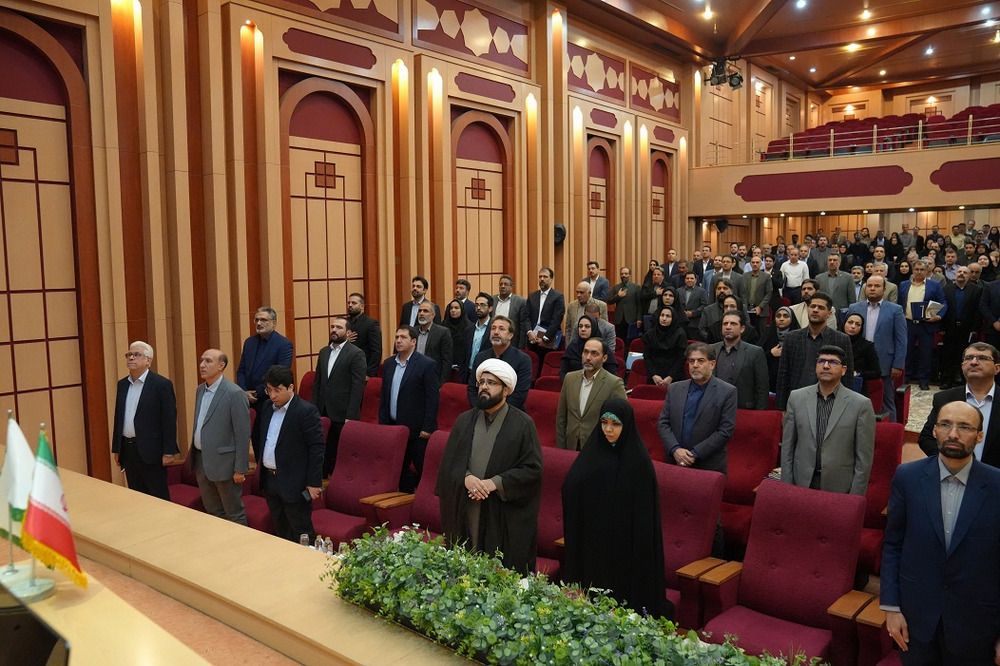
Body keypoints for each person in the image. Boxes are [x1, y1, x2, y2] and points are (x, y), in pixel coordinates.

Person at [881, 401, 1000, 665]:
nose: (953, 434)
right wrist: (891, 607)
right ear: (934, 430)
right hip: (915, 621)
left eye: (965, 427)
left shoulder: (997, 485)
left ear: (980, 435)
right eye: (945, 424)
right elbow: (893, 545)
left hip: (976, 626)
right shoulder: (907, 477)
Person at [561, 398, 672, 619]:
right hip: (596, 543)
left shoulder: (639, 463)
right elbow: (571, 486)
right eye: (604, 423)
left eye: (615, 424)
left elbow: (645, 517)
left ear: (626, 425)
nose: (608, 430)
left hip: (626, 548)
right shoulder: (593, 452)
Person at [436, 359, 543, 574]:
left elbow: (532, 470)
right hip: (467, 504)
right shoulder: (464, 420)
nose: (484, 387)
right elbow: (449, 463)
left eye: (491, 383)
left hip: (499, 511)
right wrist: (466, 477)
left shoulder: (523, 424)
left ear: (506, 390)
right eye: (482, 382)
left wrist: (495, 483)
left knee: (496, 573)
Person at [657, 342, 737, 556]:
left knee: (709, 522)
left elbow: (725, 431)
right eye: (691, 361)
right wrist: (675, 449)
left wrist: (694, 454)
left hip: (707, 466)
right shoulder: (675, 388)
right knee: (673, 516)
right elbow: (663, 423)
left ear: (712, 364)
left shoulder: (727, 392)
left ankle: (715, 565)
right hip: (675, 463)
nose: (695, 365)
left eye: (701, 361)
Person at [780, 345, 875, 495]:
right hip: (801, 483)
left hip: (839, 488)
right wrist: (786, 487)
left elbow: (864, 459)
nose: (825, 366)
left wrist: (854, 498)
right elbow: (787, 448)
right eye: (821, 361)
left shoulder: (860, 405)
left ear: (843, 370)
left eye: (833, 362)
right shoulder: (796, 398)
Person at [252, 365, 324, 542]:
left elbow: (316, 448)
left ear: (291, 387)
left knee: (301, 532)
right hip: (270, 480)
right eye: (269, 390)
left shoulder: (306, 411)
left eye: (277, 390)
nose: (272, 395)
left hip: (295, 482)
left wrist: (314, 482)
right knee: (281, 531)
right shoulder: (267, 407)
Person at [190, 349, 251, 525]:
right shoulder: (200, 390)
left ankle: (241, 543)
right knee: (213, 512)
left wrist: (240, 468)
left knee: (234, 513)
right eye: (201, 360)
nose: (202, 365)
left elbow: (242, 434)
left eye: (208, 361)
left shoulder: (234, 393)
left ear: (221, 366)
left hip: (226, 464)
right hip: (202, 461)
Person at [111, 341, 178, 500]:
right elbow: (118, 418)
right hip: (128, 450)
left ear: (148, 360)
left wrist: (169, 451)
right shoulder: (122, 384)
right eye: (129, 355)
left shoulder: (161, 384)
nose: (131, 358)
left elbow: (169, 419)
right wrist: (117, 448)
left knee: (158, 497)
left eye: (136, 355)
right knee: (137, 497)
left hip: (152, 451)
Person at [918, 343, 1000, 468]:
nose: (974, 362)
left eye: (982, 358)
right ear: (962, 366)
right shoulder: (945, 398)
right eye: (969, 358)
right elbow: (926, 438)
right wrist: (951, 463)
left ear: (997, 368)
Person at [379, 326, 440, 493]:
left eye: (403, 337)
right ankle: (405, 500)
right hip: (394, 427)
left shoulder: (426, 364)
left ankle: (426, 501)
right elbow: (384, 396)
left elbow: (433, 399)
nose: (398, 340)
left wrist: (428, 427)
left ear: (413, 341)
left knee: (423, 470)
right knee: (400, 469)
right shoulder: (389, 364)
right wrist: (383, 425)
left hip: (418, 431)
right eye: (397, 337)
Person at [775, 292, 854, 410]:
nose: (815, 310)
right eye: (812, 306)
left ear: (829, 313)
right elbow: (783, 374)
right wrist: (781, 408)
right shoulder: (792, 338)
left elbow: (847, 377)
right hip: (797, 403)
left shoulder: (841, 339)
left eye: (821, 308)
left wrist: (845, 407)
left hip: (830, 403)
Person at [311, 316, 366, 476]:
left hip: (343, 412)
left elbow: (358, 387)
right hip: (323, 409)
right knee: (324, 449)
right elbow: (317, 383)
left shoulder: (356, 353)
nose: (334, 330)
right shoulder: (324, 352)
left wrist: (351, 415)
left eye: (339, 327)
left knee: (341, 452)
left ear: (348, 333)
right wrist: (314, 409)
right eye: (332, 327)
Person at [848, 275, 908, 421]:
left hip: (884, 363)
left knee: (887, 401)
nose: (872, 289)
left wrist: (898, 364)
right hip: (858, 363)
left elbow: (901, 340)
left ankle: (890, 431)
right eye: (869, 286)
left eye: (876, 286)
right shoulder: (854, 308)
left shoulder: (895, 310)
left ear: (884, 289)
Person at [556, 338, 627, 450]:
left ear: (604, 358)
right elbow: (561, 418)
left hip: (598, 449)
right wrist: (561, 449)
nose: (588, 357)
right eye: (585, 352)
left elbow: (621, 421)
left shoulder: (614, 383)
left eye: (594, 354)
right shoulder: (569, 378)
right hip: (570, 446)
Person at [900, 259, 948, 391]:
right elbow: (899, 303)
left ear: (927, 271)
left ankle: (924, 380)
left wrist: (938, 316)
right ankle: (905, 377)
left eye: (922, 270)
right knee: (906, 352)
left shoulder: (934, 285)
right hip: (908, 323)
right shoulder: (904, 285)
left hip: (926, 324)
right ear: (912, 270)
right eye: (917, 269)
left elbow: (943, 302)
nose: (919, 272)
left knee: (926, 353)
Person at [467, 316, 533, 411]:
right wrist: (480, 410)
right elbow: (472, 389)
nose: (496, 332)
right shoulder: (480, 357)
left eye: (501, 329)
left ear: (511, 335)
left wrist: (495, 412)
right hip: (481, 411)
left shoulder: (523, 359)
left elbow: (519, 394)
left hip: (510, 413)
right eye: (493, 328)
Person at [710, 312, 769, 410]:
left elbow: (762, 388)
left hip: (743, 409)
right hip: (714, 408)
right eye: (725, 324)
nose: (728, 327)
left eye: (733, 324)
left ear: (742, 329)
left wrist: (759, 413)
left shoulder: (755, 352)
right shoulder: (711, 349)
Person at [236, 307, 294, 406]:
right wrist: (244, 391)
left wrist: (256, 394)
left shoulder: (284, 345)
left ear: (274, 323)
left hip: (270, 400)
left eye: (263, 320)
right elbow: (241, 370)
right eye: (256, 320)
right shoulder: (249, 342)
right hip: (246, 398)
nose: (259, 323)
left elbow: (279, 376)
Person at [940, 265, 982, 388]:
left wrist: (975, 328)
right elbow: (942, 309)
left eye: (965, 272)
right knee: (948, 354)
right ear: (955, 274)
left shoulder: (977, 290)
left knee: (965, 355)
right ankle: (947, 379)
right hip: (949, 327)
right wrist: (941, 327)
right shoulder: (946, 289)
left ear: (969, 276)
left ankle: (964, 380)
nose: (961, 274)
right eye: (959, 271)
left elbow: (978, 311)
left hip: (967, 328)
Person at [560, 314, 618, 379]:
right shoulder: (572, 347)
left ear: (594, 328)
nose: (583, 329)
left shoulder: (602, 346)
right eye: (580, 326)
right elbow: (563, 371)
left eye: (587, 326)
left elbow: (612, 375)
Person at [642, 306, 687, 386]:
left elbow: (681, 358)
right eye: (662, 315)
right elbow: (647, 356)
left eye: (668, 316)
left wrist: (670, 376)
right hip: (654, 376)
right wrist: (654, 375)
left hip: (674, 376)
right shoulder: (651, 334)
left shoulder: (680, 334)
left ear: (673, 318)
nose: (664, 318)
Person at [526, 267, 565, 355]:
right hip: (533, 338)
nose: (542, 279)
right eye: (540, 277)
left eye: (545, 277)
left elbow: (557, 319)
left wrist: (545, 337)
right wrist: (529, 332)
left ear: (551, 280)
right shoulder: (532, 296)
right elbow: (526, 316)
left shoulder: (558, 297)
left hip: (549, 340)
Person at [414, 301, 453, 386]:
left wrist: (442, 383)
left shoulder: (442, 332)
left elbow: (446, 361)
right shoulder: (413, 331)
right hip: (414, 378)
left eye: (425, 311)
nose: (421, 314)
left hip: (433, 379)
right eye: (420, 311)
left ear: (433, 315)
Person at [843, 313, 883, 392]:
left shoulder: (867, 346)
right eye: (850, 322)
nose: (853, 326)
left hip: (857, 388)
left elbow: (877, 372)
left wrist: (858, 373)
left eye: (857, 324)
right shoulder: (834, 342)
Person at [458, 293, 493, 384]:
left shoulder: (494, 329)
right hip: (469, 374)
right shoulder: (469, 329)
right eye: (476, 305)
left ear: (490, 308)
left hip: (487, 374)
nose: (478, 308)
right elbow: (464, 356)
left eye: (482, 305)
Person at [345, 293, 382, 378]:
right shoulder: (344, 323)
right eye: (349, 303)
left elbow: (376, 352)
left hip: (362, 371)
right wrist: (344, 340)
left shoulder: (371, 324)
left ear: (362, 306)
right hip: (345, 370)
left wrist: (369, 374)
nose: (350, 305)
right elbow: (332, 344)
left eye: (354, 303)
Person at [565, 281, 608, 346]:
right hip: (576, 344)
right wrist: (568, 346)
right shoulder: (571, 306)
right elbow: (568, 328)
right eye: (577, 292)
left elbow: (604, 327)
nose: (578, 295)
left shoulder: (601, 305)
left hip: (595, 344)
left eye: (581, 292)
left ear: (589, 293)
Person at [493, 275, 530, 349]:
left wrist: (521, 346)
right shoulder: (492, 300)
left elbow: (522, 326)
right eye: (501, 284)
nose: (503, 286)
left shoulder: (520, 302)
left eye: (506, 284)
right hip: (494, 340)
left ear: (512, 286)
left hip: (512, 342)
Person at [739, 254, 773, 335]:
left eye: (757, 262)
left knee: (761, 333)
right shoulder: (744, 276)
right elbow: (742, 292)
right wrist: (744, 306)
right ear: (750, 264)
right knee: (747, 333)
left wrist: (760, 306)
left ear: (761, 264)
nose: (755, 264)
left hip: (761, 310)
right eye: (753, 262)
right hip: (747, 309)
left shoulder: (766, 276)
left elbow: (769, 293)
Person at [607, 266, 642, 342]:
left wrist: (639, 318)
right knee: (620, 340)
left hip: (632, 319)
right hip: (619, 319)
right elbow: (609, 301)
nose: (623, 275)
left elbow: (640, 304)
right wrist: (618, 296)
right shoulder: (616, 288)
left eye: (626, 274)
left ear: (630, 275)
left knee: (631, 341)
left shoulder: (636, 287)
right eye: (622, 274)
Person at [444, 298, 472, 377]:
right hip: (446, 365)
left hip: (462, 367)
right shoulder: (444, 325)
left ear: (462, 310)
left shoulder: (469, 327)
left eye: (456, 308)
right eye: (451, 308)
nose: (453, 310)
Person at [678, 271, 710, 339]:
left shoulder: (702, 292)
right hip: (681, 324)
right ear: (685, 280)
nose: (689, 280)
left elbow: (704, 305)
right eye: (687, 278)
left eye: (692, 278)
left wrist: (693, 313)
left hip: (695, 324)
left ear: (695, 280)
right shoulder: (678, 291)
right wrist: (682, 312)